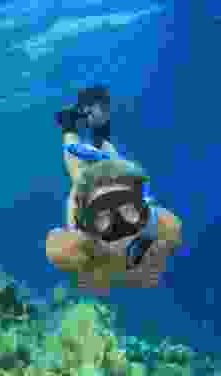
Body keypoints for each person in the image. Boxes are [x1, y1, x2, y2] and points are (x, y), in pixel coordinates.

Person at [44, 86, 183, 293]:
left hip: (116, 180)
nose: (121, 230)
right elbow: (57, 249)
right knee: (79, 168)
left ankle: (85, 126)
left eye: (128, 211)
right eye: (103, 218)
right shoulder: (80, 247)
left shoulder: (157, 226)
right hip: (94, 189)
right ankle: (72, 125)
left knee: (99, 161)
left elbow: (172, 228)